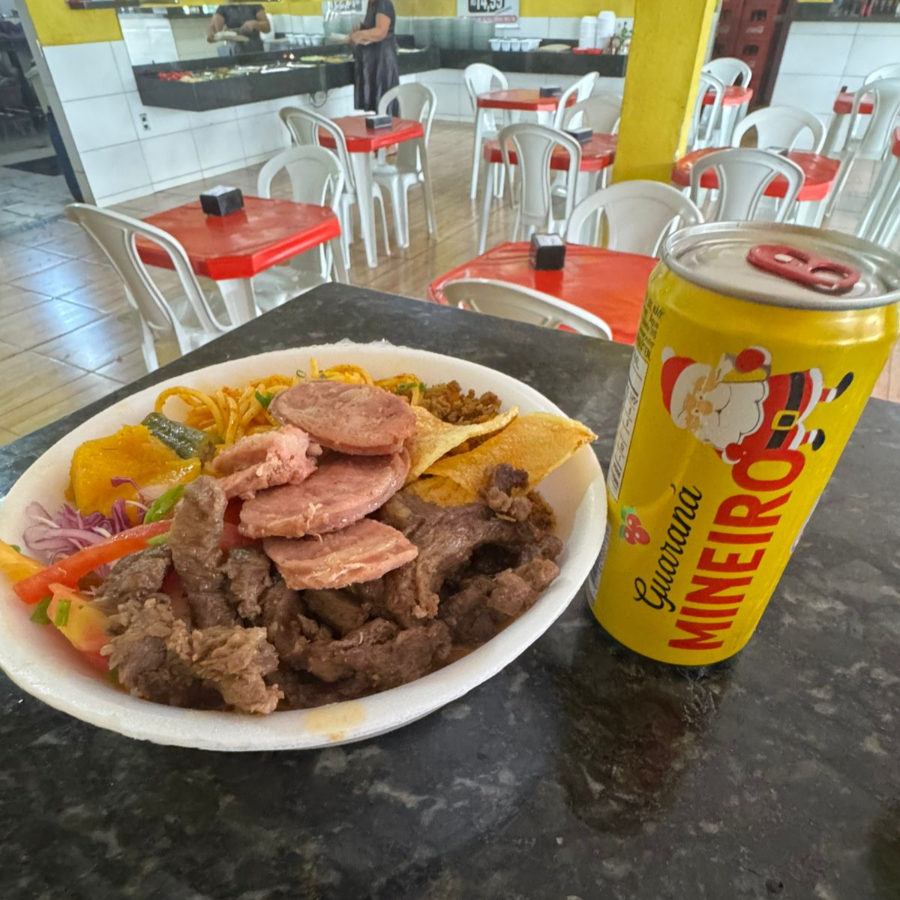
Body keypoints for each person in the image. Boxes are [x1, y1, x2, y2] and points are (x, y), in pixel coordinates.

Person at [349, 0, 399, 115]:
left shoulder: (383, 3)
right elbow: (373, 30)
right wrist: (362, 29)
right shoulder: (372, 4)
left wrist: (361, 34)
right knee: (376, 108)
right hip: (374, 61)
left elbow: (381, 31)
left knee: (385, 105)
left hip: (383, 62)